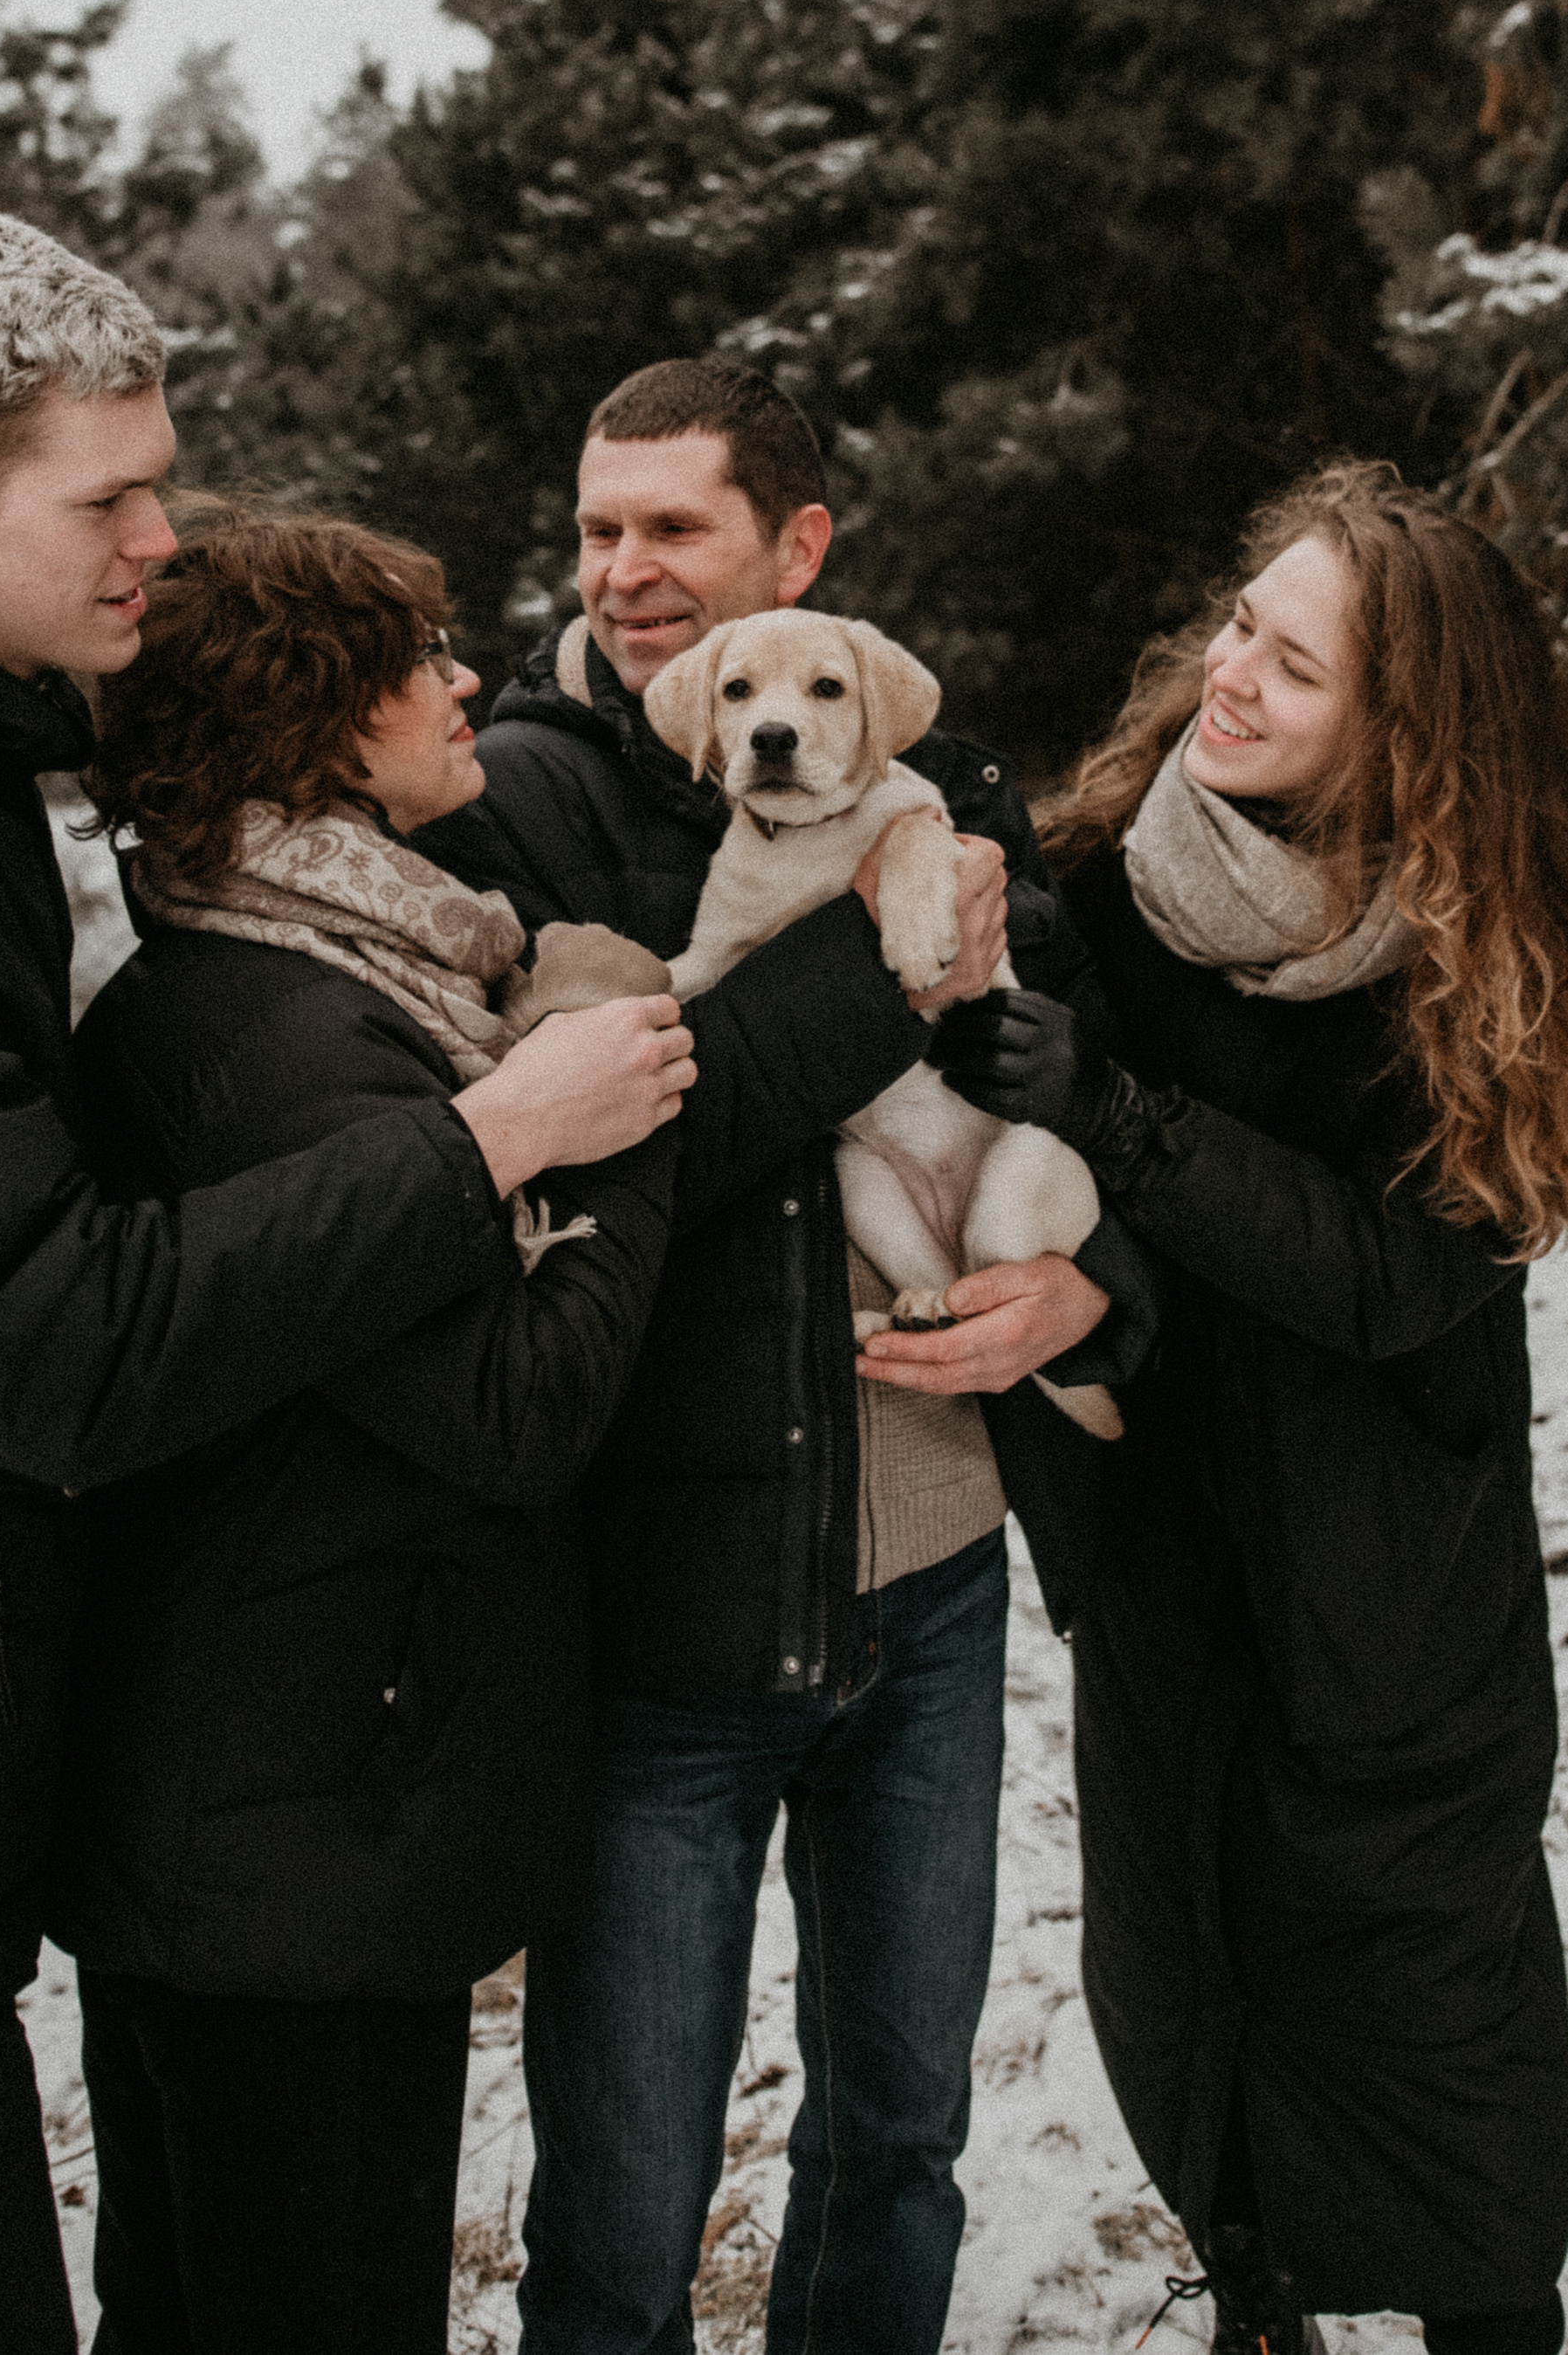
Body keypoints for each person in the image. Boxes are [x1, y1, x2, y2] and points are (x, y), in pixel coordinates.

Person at [0, 212, 690, 2355]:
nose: (165, 541)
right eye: (110, 496)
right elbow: (47, 1337)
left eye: (163, 476)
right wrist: (499, 1137)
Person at [411, 357, 1155, 2355]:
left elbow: (1099, 1111)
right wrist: (881, 962)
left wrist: (1101, 1292)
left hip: (925, 1576)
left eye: (677, 527)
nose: (625, 570)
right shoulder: (519, 789)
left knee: (898, 2142)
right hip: (669, 1599)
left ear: (798, 552)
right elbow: (628, 1142)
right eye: (596, 526)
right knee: (628, 2197)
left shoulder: (947, 783)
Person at [930, 461, 1568, 2355]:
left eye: (1294, 664)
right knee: (1192, 1965)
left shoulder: (1473, 960)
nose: (1230, 673)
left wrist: (1118, 1117)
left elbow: (1389, 1275)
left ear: (1400, 735)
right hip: (1171, 1555)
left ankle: (1489, 2315)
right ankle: (1254, 2290)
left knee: (1428, 2003)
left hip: (1391, 1585)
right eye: (1240, 619)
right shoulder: (1114, 875)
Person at [57, 506, 687, 2355]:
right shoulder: (291, 1035)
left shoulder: (291, 969)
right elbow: (516, 1401)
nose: (463, 679)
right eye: (415, 661)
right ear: (316, 720)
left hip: (254, 1803)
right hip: (302, 1834)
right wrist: (614, 1088)